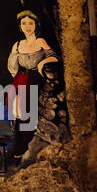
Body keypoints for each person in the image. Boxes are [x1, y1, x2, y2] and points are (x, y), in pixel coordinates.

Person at [7, 10, 59, 158]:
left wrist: (42, 63)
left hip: (34, 78)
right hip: (20, 79)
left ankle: (23, 145)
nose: (27, 26)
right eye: (24, 23)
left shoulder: (40, 42)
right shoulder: (18, 45)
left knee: (24, 106)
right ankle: (16, 144)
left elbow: (54, 57)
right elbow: (12, 68)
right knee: (13, 102)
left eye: (31, 23)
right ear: (20, 26)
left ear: (36, 25)